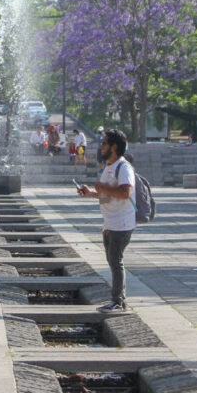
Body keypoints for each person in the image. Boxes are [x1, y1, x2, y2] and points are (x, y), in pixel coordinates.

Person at [76, 128, 135, 312]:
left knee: (116, 261)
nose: (101, 147)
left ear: (114, 146)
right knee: (112, 260)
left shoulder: (123, 167)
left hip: (122, 222)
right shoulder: (109, 167)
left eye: (104, 143)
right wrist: (90, 194)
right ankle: (118, 300)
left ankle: (118, 301)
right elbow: (108, 196)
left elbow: (125, 193)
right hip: (111, 222)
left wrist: (102, 187)